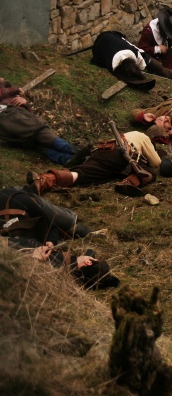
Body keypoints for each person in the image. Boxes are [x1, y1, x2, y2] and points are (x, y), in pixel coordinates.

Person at [0, 187, 119, 289]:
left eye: (93, 258)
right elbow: (53, 229)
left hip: (12, 202)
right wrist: (51, 241)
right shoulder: (61, 265)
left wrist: (35, 260)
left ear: (88, 262)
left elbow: (48, 223)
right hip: (20, 208)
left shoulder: (46, 259)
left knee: (69, 219)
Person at [27, 130, 162, 197]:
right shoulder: (143, 137)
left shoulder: (130, 133)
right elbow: (156, 162)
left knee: (81, 174)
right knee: (150, 172)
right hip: (120, 155)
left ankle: (45, 180)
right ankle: (129, 183)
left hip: (101, 152)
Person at [0, 78, 87, 166]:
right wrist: (16, 90)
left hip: (16, 126)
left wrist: (25, 102)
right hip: (9, 117)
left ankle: (67, 159)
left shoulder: (12, 95)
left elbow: (29, 112)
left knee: (38, 143)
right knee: (39, 130)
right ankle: (72, 150)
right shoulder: (8, 93)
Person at [90, 30, 172, 91]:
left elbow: (147, 59)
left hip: (114, 36)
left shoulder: (134, 53)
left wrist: (165, 72)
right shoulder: (109, 62)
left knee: (151, 63)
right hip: (105, 39)